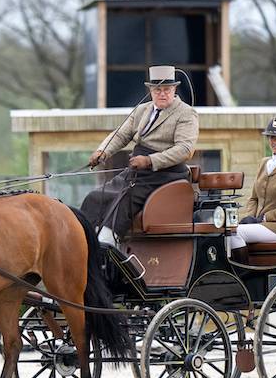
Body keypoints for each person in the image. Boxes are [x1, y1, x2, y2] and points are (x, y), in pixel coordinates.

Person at [81, 65, 200, 248]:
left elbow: (185, 149)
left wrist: (150, 161)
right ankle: (85, 240)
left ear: (174, 89)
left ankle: (108, 243)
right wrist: (102, 151)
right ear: (150, 90)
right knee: (95, 197)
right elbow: (121, 135)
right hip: (137, 172)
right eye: (157, 90)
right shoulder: (142, 110)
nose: (162, 94)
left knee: (124, 199)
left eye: (167, 89)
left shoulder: (186, 113)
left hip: (166, 174)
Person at [228, 114, 276, 253]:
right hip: (260, 225)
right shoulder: (264, 163)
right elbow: (253, 198)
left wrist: (264, 218)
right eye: (271, 137)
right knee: (227, 232)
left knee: (235, 234)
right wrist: (251, 218)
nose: (274, 141)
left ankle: (243, 267)